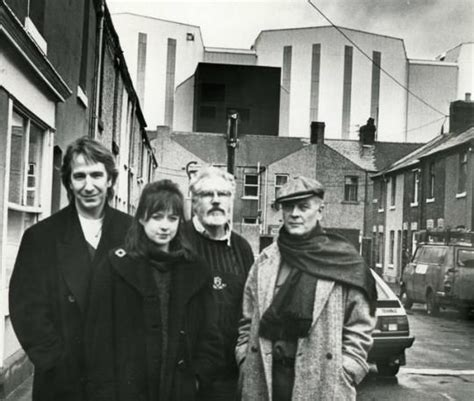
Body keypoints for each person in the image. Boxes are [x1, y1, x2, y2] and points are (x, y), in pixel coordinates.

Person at [9, 136, 132, 401]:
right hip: (61, 383)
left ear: (110, 180)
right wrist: (54, 361)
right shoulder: (40, 237)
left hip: (119, 381)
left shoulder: (133, 233)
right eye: (80, 176)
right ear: (68, 182)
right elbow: (25, 306)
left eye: (97, 175)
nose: (89, 186)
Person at [236, 176, 377, 401]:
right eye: (288, 207)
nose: (294, 214)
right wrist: (245, 358)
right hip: (266, 375)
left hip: (323, 379)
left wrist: (348, 369)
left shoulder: (343, 260)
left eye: (303, 207)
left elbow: (360, 325)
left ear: (320, 211)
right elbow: (247, 318)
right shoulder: (265, 261)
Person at [85, 179, 223, 401]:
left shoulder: (196, 269)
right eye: (157, 217)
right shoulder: (115, 266)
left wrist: (196, 380)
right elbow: (98, 340)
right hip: (127, 391)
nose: (165, 226)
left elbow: (210, 336)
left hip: (179, 390)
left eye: (172, 218)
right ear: (141, 218)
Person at [181, 166, 254, 401]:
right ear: (194, 201)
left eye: (222, 194)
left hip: (231, 379)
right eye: (207, 194)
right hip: (187, 378)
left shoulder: (242, 249)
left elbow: (251, 311)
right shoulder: (178, 241)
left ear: (231, 201)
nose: (215, 201)